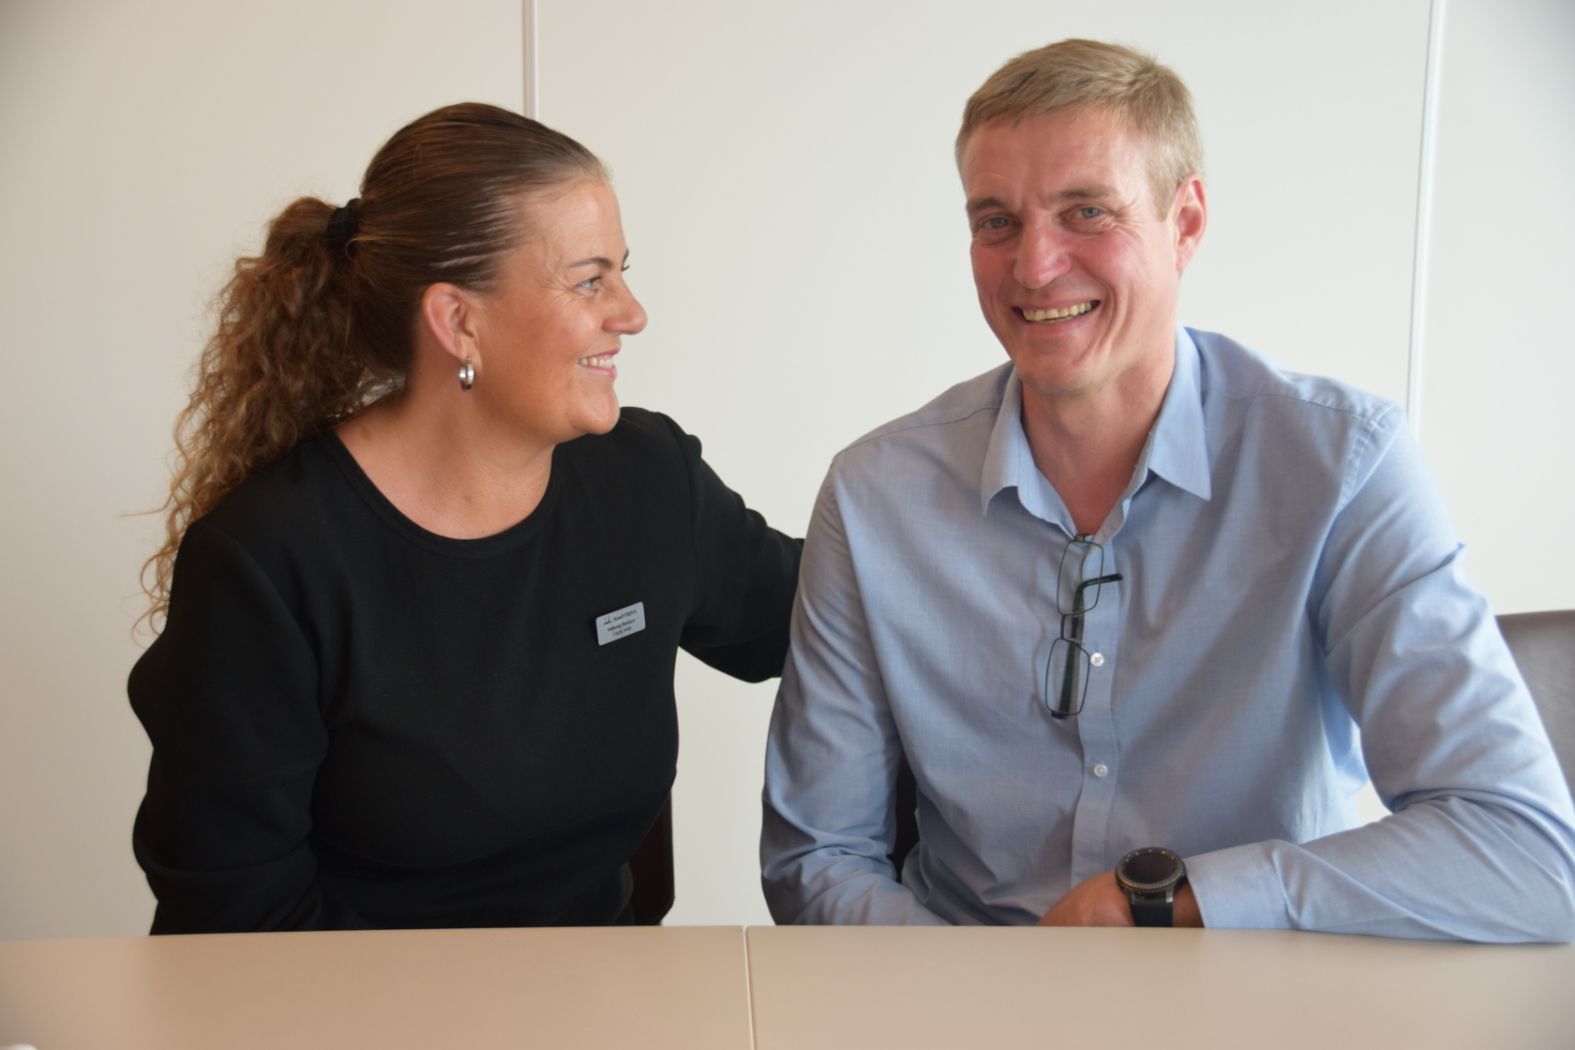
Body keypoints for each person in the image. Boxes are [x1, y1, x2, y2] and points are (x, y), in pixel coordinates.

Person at [760, 39, 1575, 940]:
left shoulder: (1343, 464)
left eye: (1085, 211)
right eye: (996, 221)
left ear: (1184, 223)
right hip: (964, 985)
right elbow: (816, 860)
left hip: (1262, 987)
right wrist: (985, 995)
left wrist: (1161, 902)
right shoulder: (873, 498)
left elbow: (1527, 855)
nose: (1033, 265)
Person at [131, 103, 801, 933]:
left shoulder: (646, 479)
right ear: (457, 321)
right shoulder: (267, 560)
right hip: (352, 998)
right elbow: (235, 915)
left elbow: (826, 621)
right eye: (590, 280)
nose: (631, 313)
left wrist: (946, 480)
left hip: (602, 987)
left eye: (622, 273)